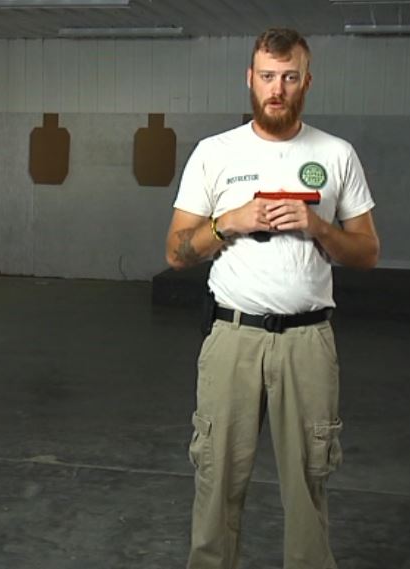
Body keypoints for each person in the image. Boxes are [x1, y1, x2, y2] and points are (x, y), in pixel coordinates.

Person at [165, 28, 379, 569]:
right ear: (250, 80)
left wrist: (318, 227)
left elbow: (368, 252)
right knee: (216, 482)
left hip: (308, 342)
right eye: (266, 77)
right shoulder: (214, 154)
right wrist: (228, 222)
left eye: (289, 77)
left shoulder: (336, 154)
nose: (276, 89)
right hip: (232, 338)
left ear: (307, 81)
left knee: (309, 484)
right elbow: (176, 252)